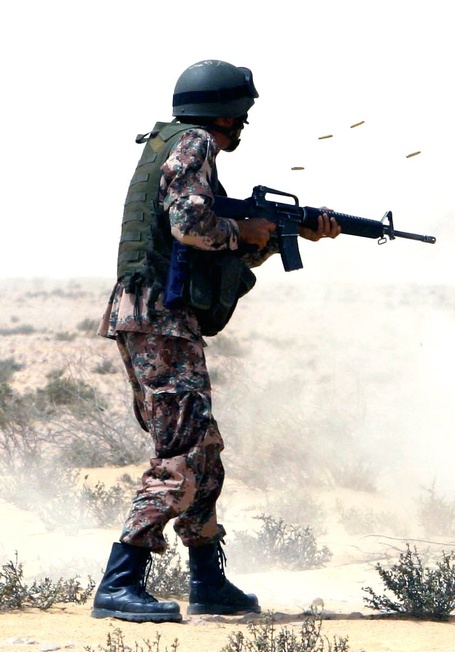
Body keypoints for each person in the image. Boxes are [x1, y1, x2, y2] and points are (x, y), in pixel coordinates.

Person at [91, 59, 340, 623]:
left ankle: (207, 580)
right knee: (179, 454)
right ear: (221, 111)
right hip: (159, 319)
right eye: (241, 115)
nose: (243, 126)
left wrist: (279, 236)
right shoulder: (195, 144)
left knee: (203, 451)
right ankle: (120, 580)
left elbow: (211, 248)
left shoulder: (172, 143)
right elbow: (189, 224)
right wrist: (243, 231)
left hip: (156, 318)